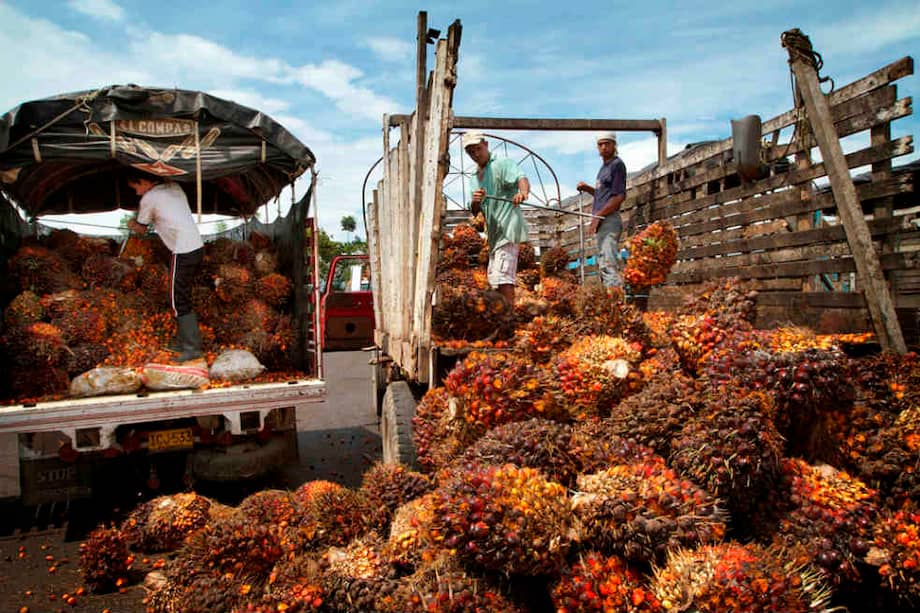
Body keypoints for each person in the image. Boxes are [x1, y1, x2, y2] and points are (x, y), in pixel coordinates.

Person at [126, 173, 205, 362]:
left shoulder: (149, 198)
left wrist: (131, 224)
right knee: (182, 295)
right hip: (196, 247)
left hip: (183, 250)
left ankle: (191, 348)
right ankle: (182, 342)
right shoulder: (174, 187)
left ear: (145, 181)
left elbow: (142, 229)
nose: (137, 193)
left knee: (177, 300)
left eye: (136, 187)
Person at [462, 131, 530, 305]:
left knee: (503, 278)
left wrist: (523, 193)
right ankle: (502, 317)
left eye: (478, 148)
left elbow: (521, 178)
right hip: (494, 235)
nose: (476, 154)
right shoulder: (473, 178)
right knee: (494, 279)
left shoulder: (502, 164)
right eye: (471, 152)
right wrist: (475, 202)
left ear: (486, 145)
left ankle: (509, 319)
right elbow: (475, 211)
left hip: (508, 228)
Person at [577, 131, 627, 288]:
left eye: (607, 143)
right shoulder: (603, 168)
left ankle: (616, 306)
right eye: (600, 144)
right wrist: (588, 189)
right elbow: (602, 195)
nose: (604, 147)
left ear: (614, 145)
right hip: (602, 221)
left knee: (608, 263)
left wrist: (598, 216)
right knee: (603, 263)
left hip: (609, 220)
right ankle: (609, 304)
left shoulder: (616, 165)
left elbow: (619, 197)